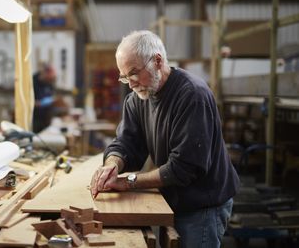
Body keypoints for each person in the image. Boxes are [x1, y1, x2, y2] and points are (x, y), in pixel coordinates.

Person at [90, 30, 240, 248]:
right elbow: (127, 143)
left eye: (134, 73)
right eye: (124, 76)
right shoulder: (137, 99)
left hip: (203, 205)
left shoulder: (192, 95)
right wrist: (112, 165)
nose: (130, 84)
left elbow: (184, 168)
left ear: (157, 61)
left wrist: (128, 182)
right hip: (173, 198)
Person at [33, 62, 56, 133]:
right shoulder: (32, 82)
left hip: (46, 118)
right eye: (48, 78)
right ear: (43, 73)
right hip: (34, 118)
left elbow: (52, 95)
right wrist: (37, 103)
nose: (49, 81)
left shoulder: (50, 83)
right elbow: (26, 102)